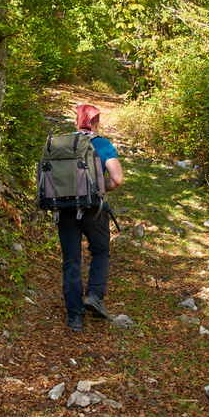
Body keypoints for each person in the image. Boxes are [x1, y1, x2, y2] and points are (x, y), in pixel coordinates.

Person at [58, 104, 124, 332]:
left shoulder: (61, 143)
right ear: (96, 122)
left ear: (77, 122)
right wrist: (98, 189)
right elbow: (116, 179)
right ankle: (94, 295)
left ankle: (75, 316)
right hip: (93, 210)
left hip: (64, 208)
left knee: (71, 262)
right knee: (100, 250)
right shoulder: (103, 145)